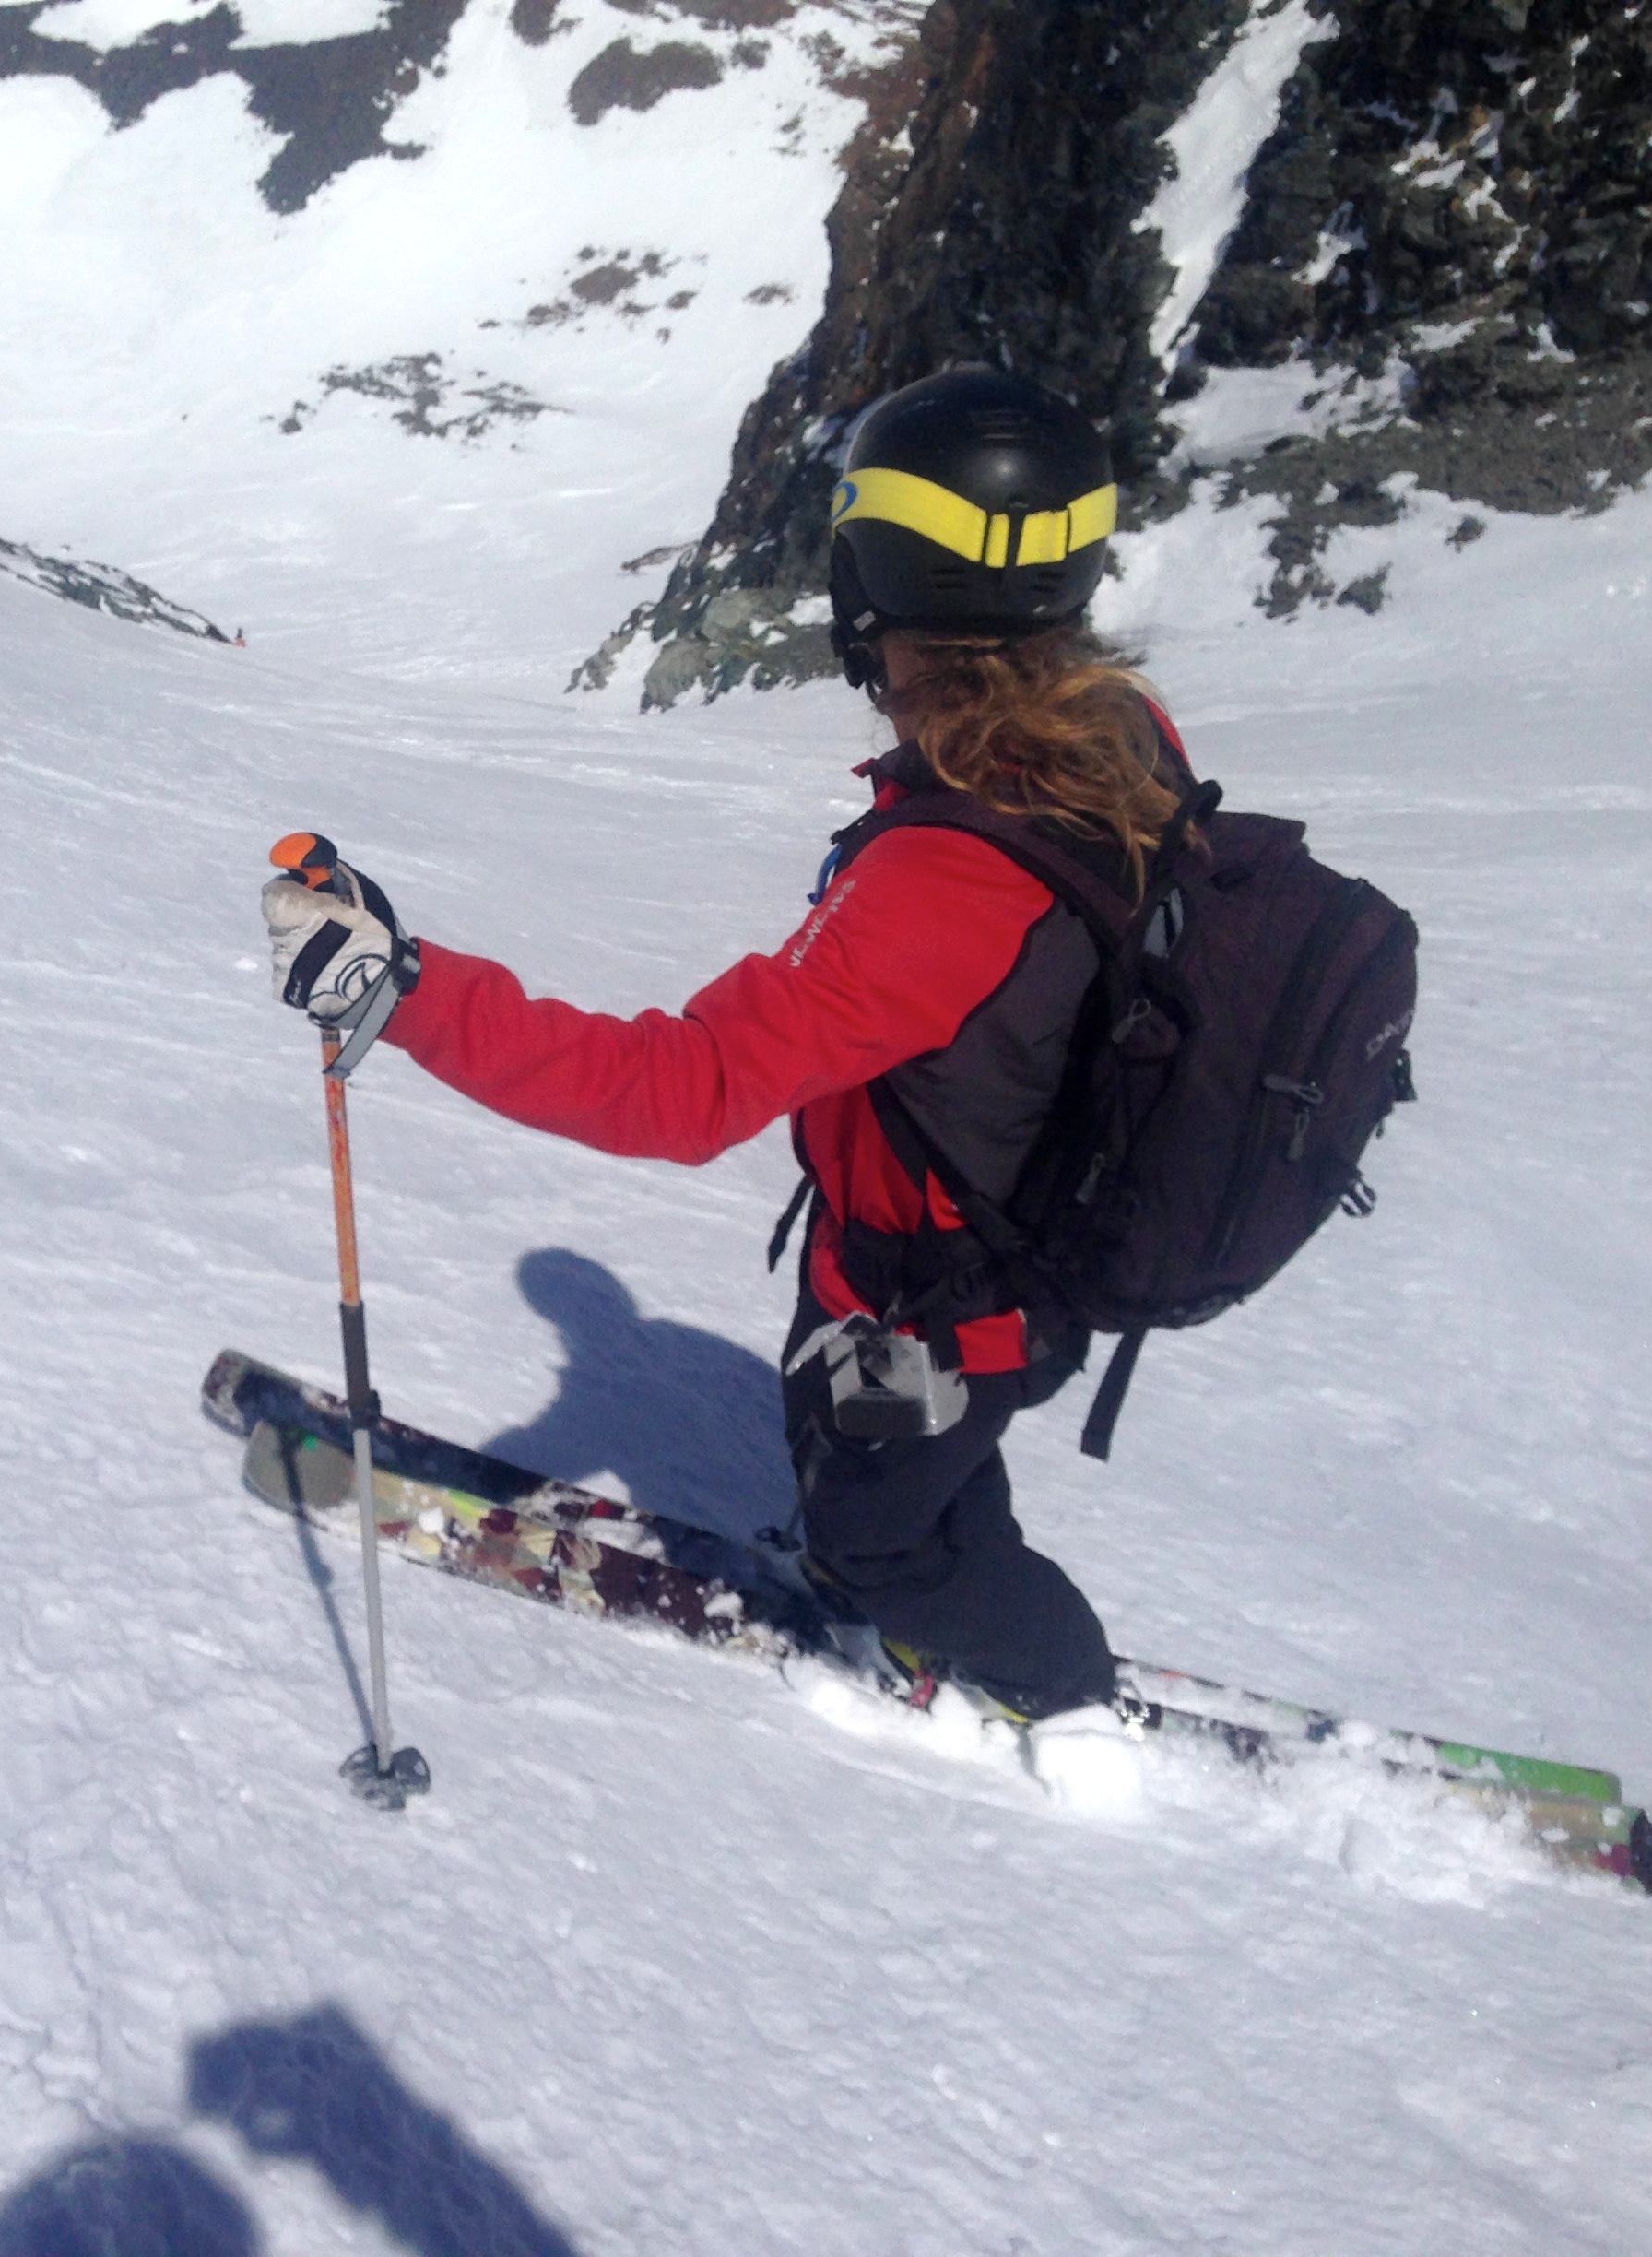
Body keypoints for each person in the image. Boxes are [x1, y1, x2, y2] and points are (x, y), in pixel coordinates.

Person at [260, 367, 1194, 1728]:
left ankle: (1059, 1695)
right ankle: (902, 1557)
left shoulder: (958, 872)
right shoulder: (1105, 739)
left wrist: (400, 993)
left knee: (888, 1532)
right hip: (965, 1242)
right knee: (889, 1470)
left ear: (875, 579)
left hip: (950, 1286)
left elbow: (681, 1093)